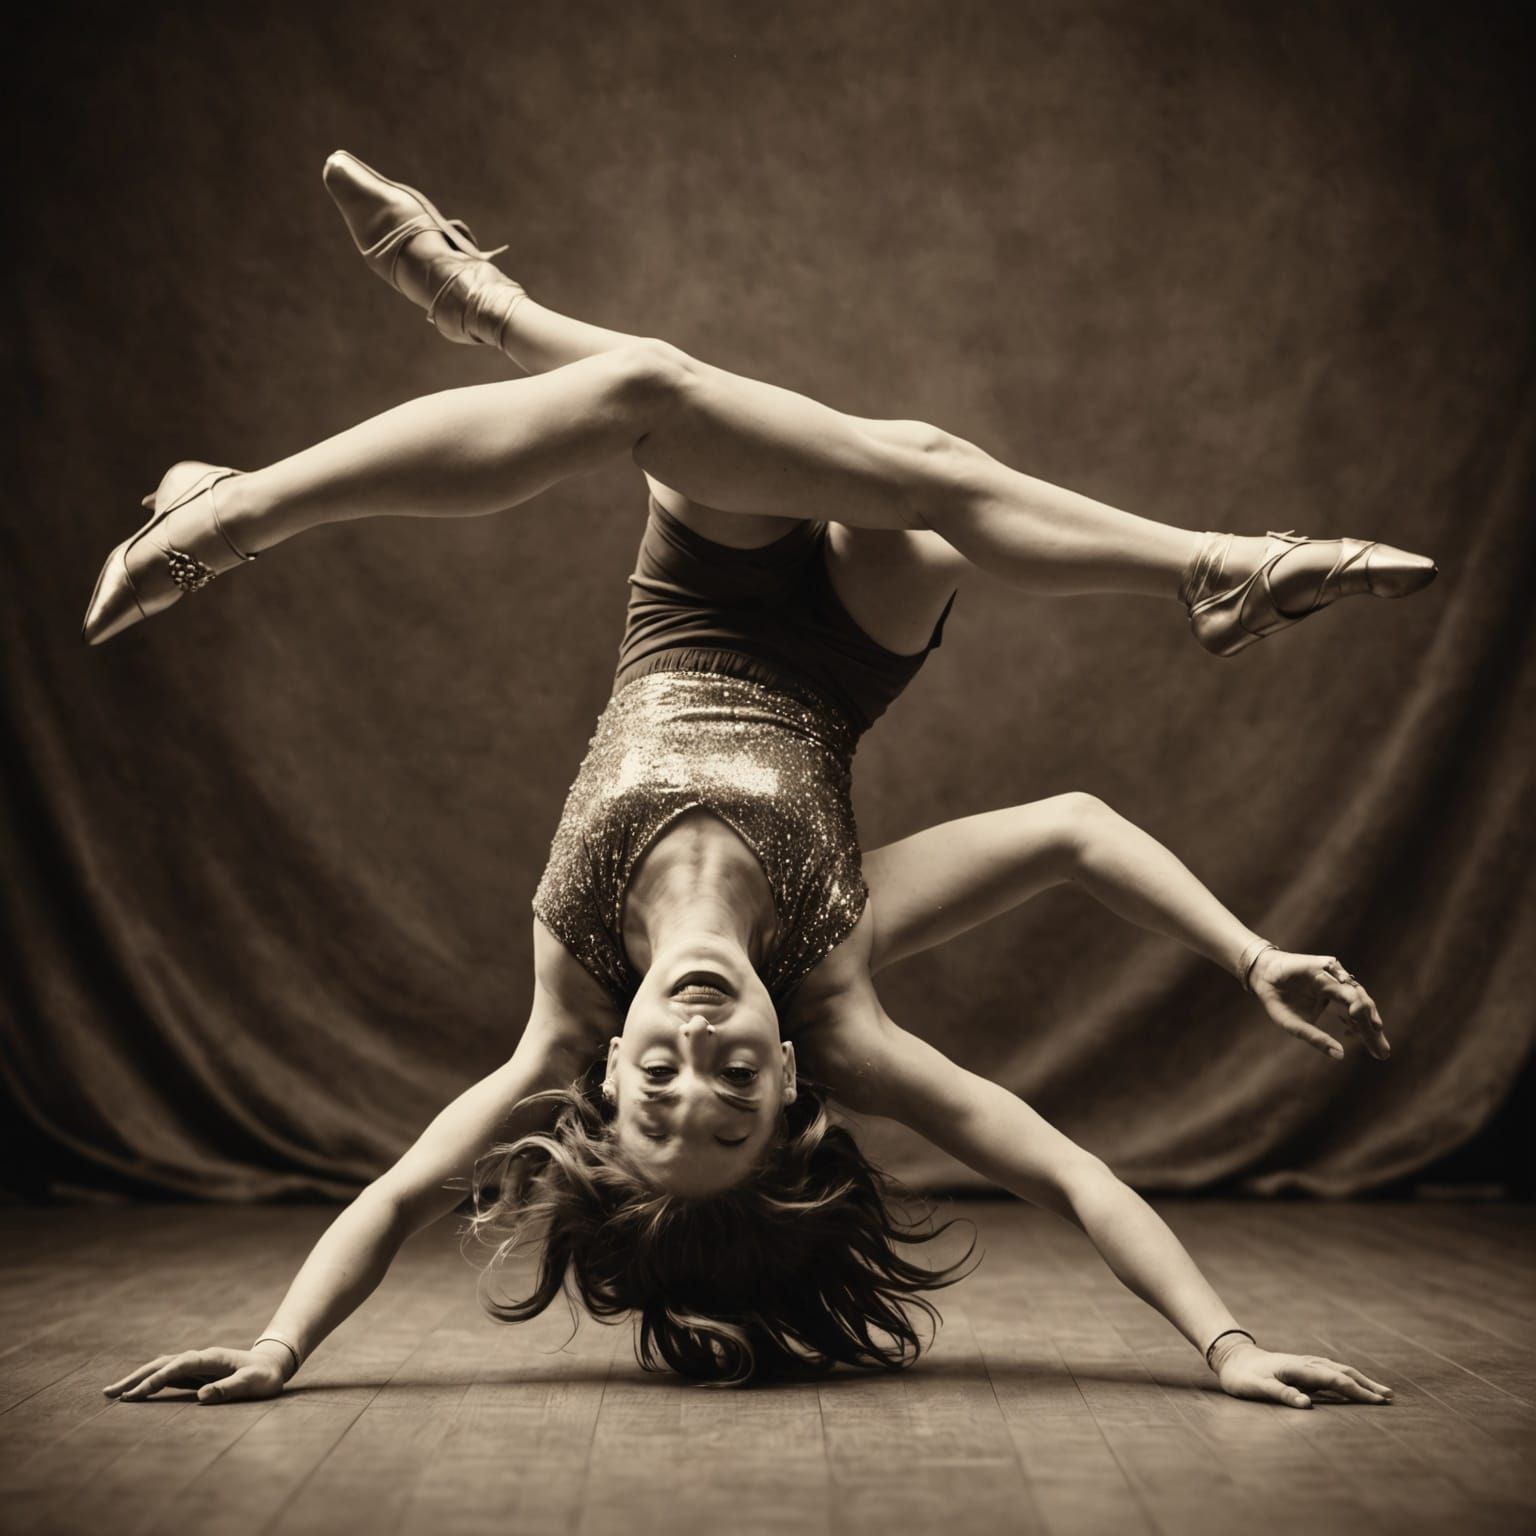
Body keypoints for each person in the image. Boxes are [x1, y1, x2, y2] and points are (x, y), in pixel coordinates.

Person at [98, 153, 1414, 1405]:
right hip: (850, 645)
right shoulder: (834, 992)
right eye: (734, 1101)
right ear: (788, 1084)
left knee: (655, 393)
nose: (697, 1059)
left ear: (605, 1086)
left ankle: (282, 476)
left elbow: (393, 1199)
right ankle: (1211, 572)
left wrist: (274, 1349)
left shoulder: (565, 1008)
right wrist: (1250, 980)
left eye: (659, 1093)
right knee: (918, 476)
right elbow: (1072, 880)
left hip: (691, 602)